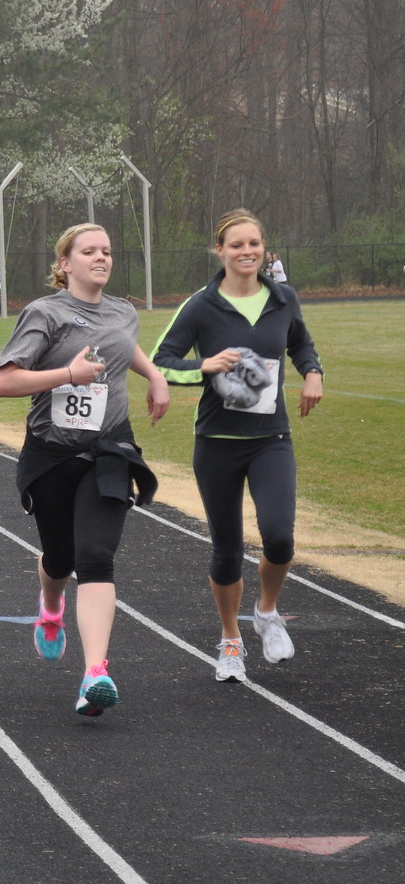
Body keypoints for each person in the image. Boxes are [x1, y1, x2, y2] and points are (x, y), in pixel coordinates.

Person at [0, 223, 169, 716]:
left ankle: (95, 673)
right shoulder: (45, 313)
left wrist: (154, 375)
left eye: (107, 251)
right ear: (65, 263)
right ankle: (51, 607)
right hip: (51, 454)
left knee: (96, 556)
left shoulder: (122, 312)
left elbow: (120, 343)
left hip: (109, 451)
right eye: (88, 251)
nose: (101, 258)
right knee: (61, 557)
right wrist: (69, 374)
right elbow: (5, 382)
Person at [151, 208, 323, 683]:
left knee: (280, 536)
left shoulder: (282, 298)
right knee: (226, 549)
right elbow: (159, 362)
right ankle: (230, 639)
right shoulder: (201, 305)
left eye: (255, 244)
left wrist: (313, 372)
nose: (247, 252)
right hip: (217, 444)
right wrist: (204, 366)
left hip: (271, 440)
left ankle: (267, 611)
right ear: (220, 250)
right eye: (237, 245)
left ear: (265, 249)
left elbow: (302, 345)